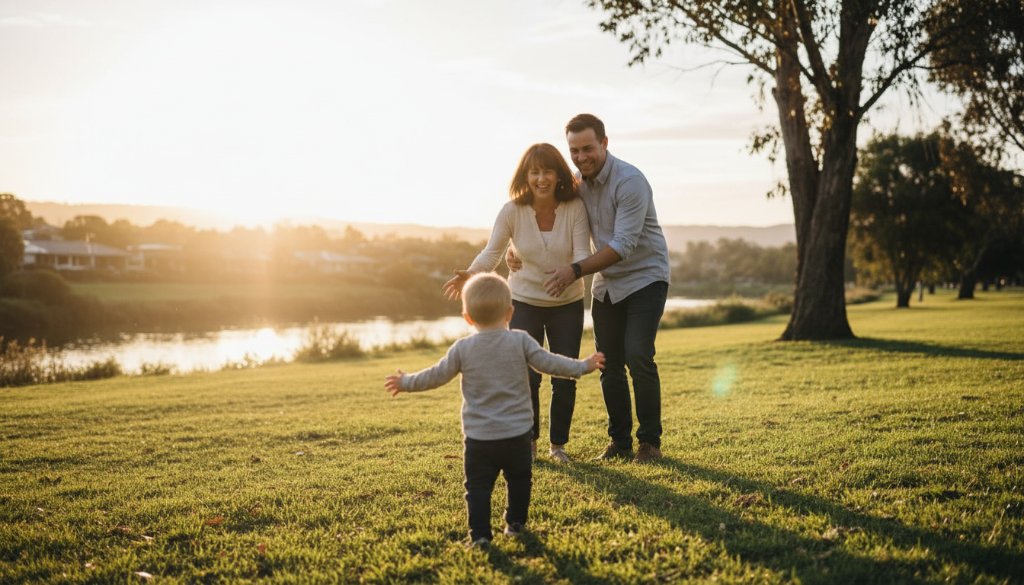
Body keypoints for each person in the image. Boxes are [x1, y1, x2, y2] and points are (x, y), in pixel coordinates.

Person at [385, 273, 604, 547]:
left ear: (467, 317)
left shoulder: (462, 348)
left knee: (477, 488)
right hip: (517, 436)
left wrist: (406, 382)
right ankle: (515, 523)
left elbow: (436, 376)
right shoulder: (520, 341)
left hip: (479, 439)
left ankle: (479, 536)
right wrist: (583, 366)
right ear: (510, 312)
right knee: (520, 481)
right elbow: (551, 364)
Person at [510, 113, 670, 463]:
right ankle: (620, 443)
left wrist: (575, 271)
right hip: (607, 285)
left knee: (638, 355)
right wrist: (514, 252)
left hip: (645, 277)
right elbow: (540, 219)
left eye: (588, 149)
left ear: (604, 144)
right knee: (607, 363)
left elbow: (624, 245)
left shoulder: (630, 182)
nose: (581, 157)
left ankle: (649, 443)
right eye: (574, 151)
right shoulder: (575, 185)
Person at [442, 143, 591, 463]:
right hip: (524, 301)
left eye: (548, 171)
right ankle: (531, 442)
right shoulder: (512, 211)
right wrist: (470, 273)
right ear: (525, 176)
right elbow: (492, 252)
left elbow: (582, 254)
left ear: (558, 174)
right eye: (534, 172)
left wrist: (570, 273)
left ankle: (558, 446)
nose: (541, 178)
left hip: (567, 302)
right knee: (527, 376)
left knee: (565, 375)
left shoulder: (575, 207)